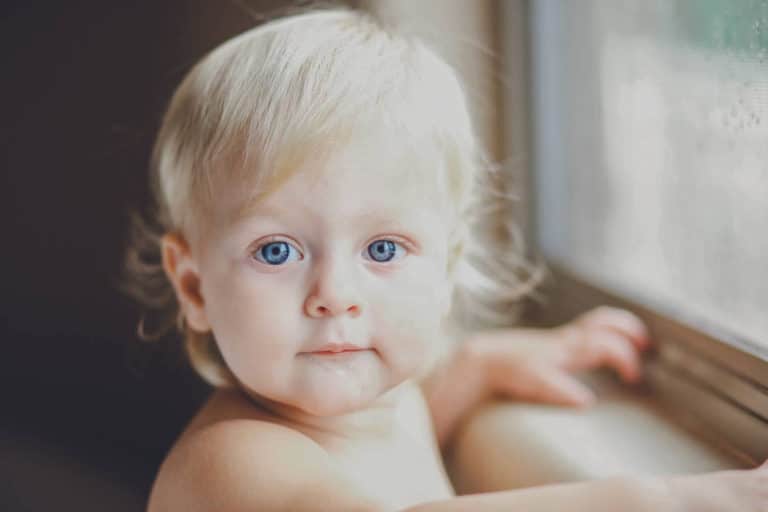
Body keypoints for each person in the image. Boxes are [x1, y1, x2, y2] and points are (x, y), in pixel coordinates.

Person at [121, 6, 767, 511]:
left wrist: (481, 364)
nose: (334, 293)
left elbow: (406, 426)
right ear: (195, 287)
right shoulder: (231, 463)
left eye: (382, 248)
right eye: (277, 250)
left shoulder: (381, 403)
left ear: (448, 268)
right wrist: (677, 499)